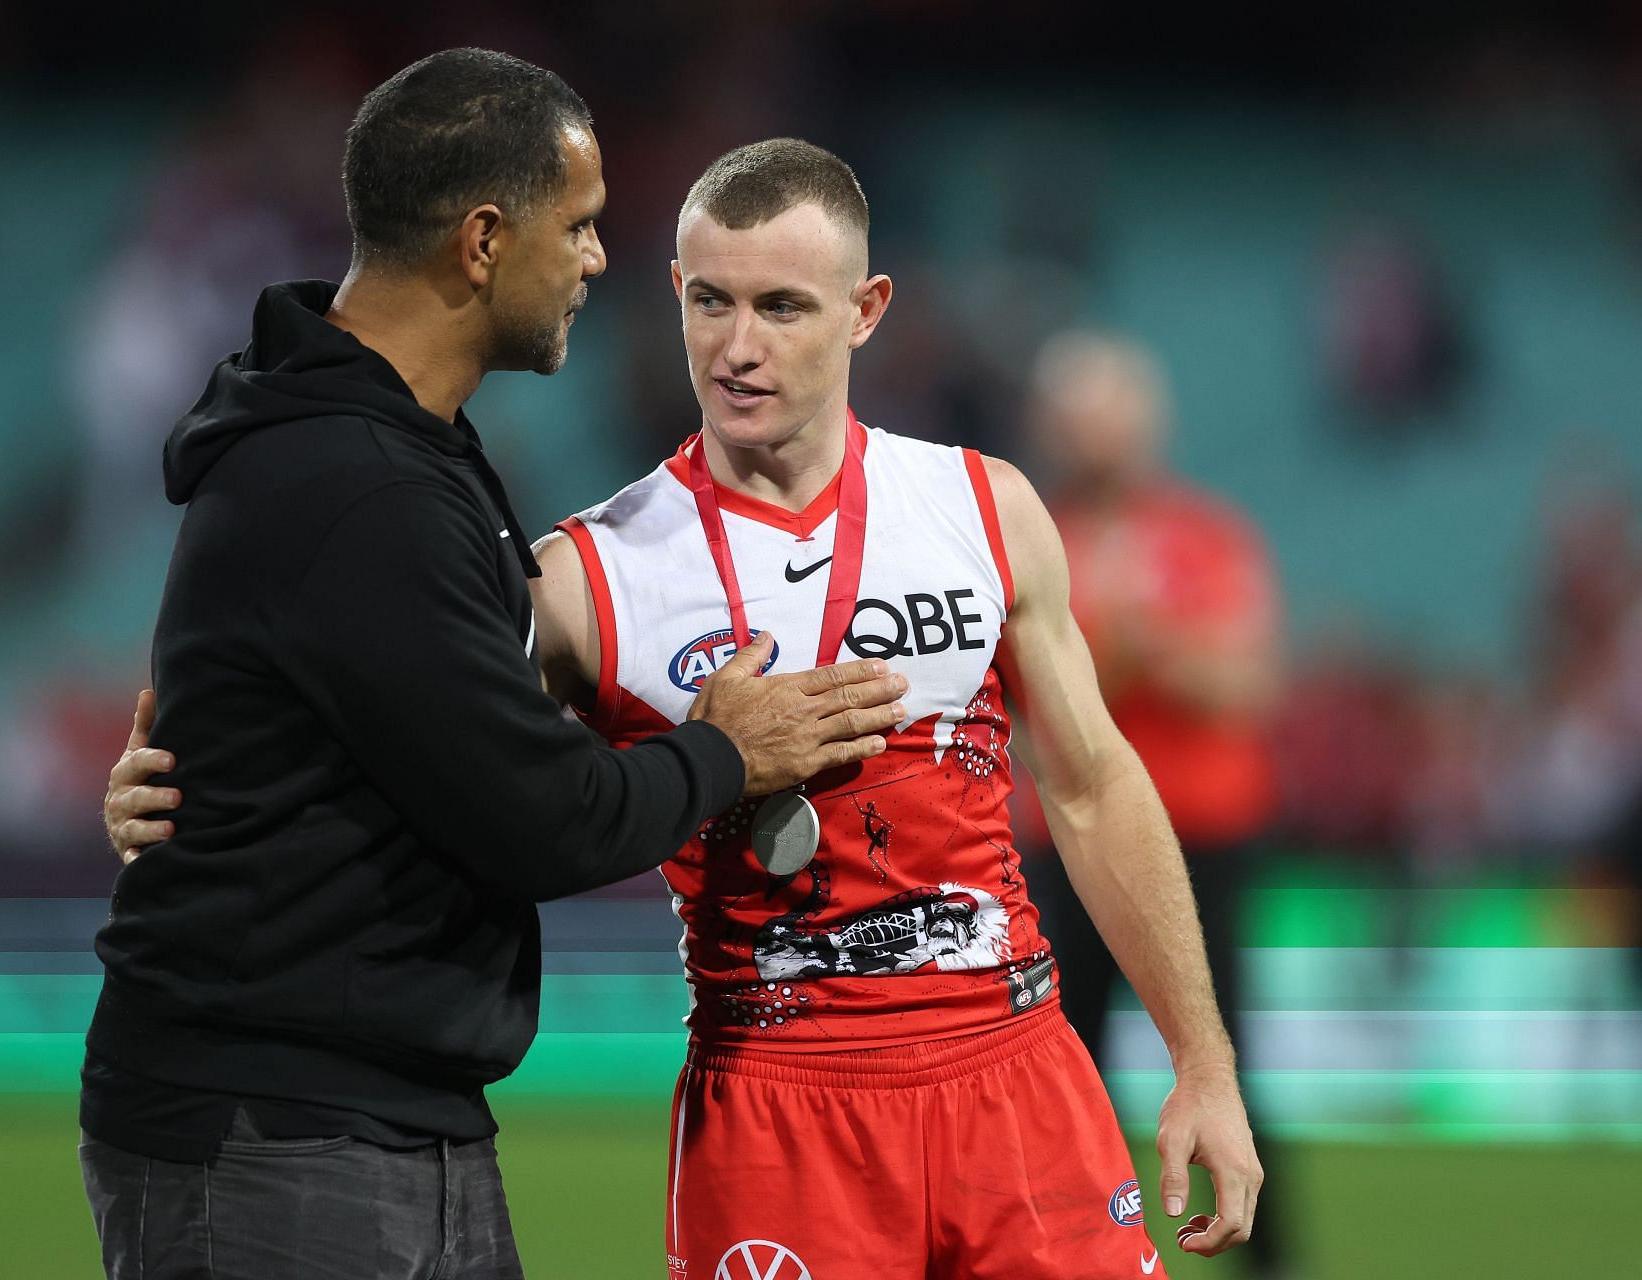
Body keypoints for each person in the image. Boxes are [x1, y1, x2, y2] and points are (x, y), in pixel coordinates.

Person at [109, 138, 1262, 1279]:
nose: (739, 347)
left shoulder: (984, 507)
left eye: (782, 307)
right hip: (777, 1104)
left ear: (867, 309)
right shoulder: (585, 578)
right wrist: (204, 777)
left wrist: (1202, 1062)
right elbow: (430, 764)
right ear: (674, 294)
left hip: (1014, 1072)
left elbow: (1092, 782)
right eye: (710, 301)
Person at [78, 54, 909, 1280]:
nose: (595, 258)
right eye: (575, 223)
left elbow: (347, 720)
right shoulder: (359, 487)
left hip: (371, 1115)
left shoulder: (392, 447)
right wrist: (732, 749)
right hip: (276, 1134)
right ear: (482, 239)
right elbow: (540, 815)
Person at [1019, 332, 1290, 1278]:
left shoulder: (1204, 535)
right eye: (1075, 420)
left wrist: (1129, 643)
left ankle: (1268, 1257)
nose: (1092, 440)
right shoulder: (1031, 534)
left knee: (1224, 1056)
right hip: (1063, 843)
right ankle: (1066, 1251)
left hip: (1204, 835)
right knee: (1062, 1068)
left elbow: (1244, 683)